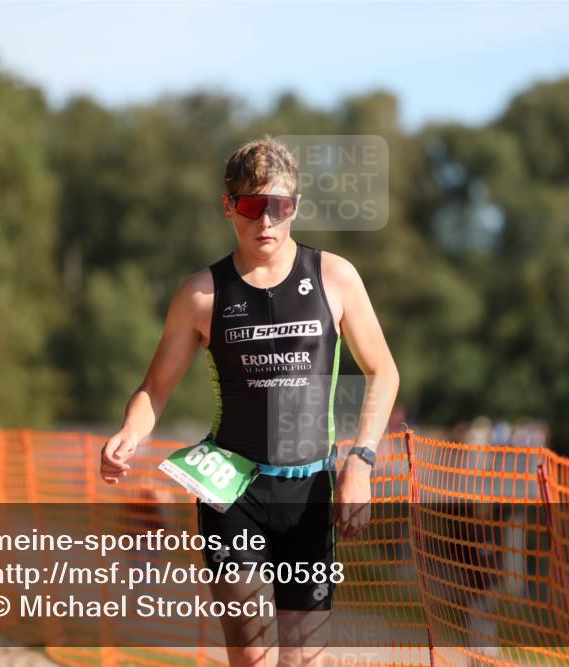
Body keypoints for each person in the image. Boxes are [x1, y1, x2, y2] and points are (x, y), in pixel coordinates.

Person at [100, 137, 399, 667]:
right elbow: (154, 389)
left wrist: (361, 461)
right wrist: (130, 431)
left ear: (296, 206)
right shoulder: (201, 294)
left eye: (278, 206)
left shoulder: (334, 277)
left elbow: (384, 372)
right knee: (253, 656)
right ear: (228, 206)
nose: (266, 221)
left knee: (303, 660)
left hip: (310, 492)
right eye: (252, 206)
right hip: (232, 490)